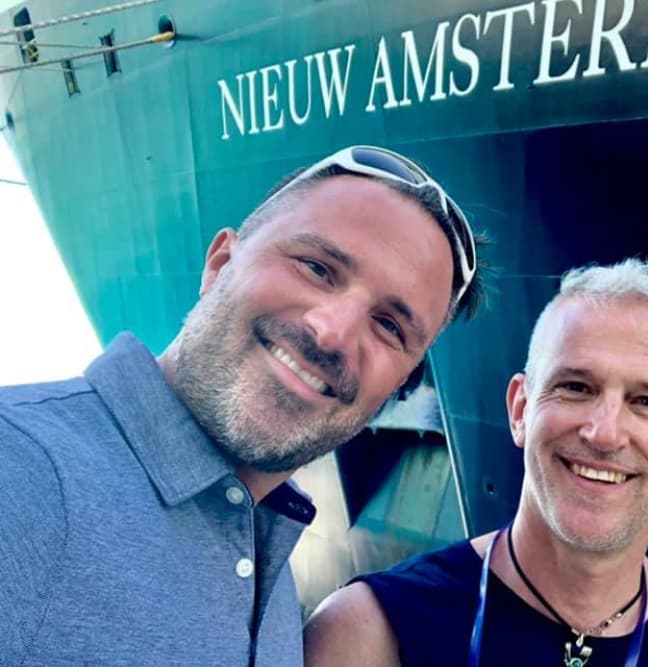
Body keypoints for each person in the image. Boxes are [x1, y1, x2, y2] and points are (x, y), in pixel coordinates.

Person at [0, 145, 484, 665]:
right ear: (220, 263)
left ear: (400, 384)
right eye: (317, 268)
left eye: (389, 326)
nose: (333, 332)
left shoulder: (267, 567)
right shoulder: (20, 473)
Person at [304, 258, 648, 666]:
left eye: (647, 402)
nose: (605, 433)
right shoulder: (367, 635)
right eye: (576, 387)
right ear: (520, 410)